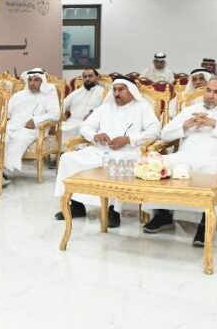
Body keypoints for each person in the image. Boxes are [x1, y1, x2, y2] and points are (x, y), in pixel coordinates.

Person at [142, 76, 217, 246]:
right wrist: (186, 125)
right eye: (208, 90)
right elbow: (165, 134)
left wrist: (213, 123)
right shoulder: (191, 109)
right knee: (162, 163)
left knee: (208, 170)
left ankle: (206, 223)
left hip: (216, 158)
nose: (210, 95)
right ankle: (163, 215)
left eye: (216, 92)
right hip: (186, 155)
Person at [53, 77, 161, 227]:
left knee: (117, 165)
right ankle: (76, 206)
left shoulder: (142, 107)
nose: (116, 93)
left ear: (131, 91)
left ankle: (113, 211)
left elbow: (155, 131)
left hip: (127, 152)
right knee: (67, 158)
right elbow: (85, 127)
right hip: (100, 150)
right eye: (115, 90)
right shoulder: (106, 107)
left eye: (121, 90)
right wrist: (95, 136)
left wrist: (129, 139)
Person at [2, 68, 61, 177]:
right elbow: (6, 113)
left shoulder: (48, 95)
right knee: (2, 136)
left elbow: (56, 115)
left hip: (35, 129)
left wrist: (36, 121)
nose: (32, 83)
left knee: (20, 137)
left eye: (36, 80)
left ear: (42, 81)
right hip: (13, 126)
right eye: (30, 80)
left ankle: (6, 171)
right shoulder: (19, 95)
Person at [61, 67, 105, 141]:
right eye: (85, 77)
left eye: (90, 76)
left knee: (81, 128)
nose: (87, 79)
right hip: (71, 122)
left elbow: (105, 108)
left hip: (88, 123)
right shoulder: (76, 93)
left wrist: (93, 113)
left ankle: (74, 150)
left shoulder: (103, 92)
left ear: (97, 77)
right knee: (59, 127)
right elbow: (62, 105)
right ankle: (61, 151)